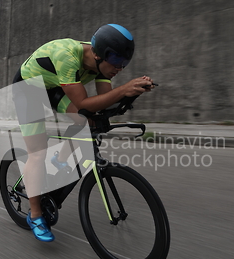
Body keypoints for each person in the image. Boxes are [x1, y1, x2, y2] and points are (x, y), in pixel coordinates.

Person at [12, 24, 155, 242]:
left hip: (55, 86)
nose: (120, 68)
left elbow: (103, 104)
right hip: (29, 88)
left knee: (89, 122)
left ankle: (59, 160)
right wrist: (124, 89)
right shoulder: (67, 56)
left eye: (124, 63)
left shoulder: (103, 66)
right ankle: (35, 215)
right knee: (37, 153)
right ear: (99, 55)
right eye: (117, 61)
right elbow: (82, 103)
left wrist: (131, 94)